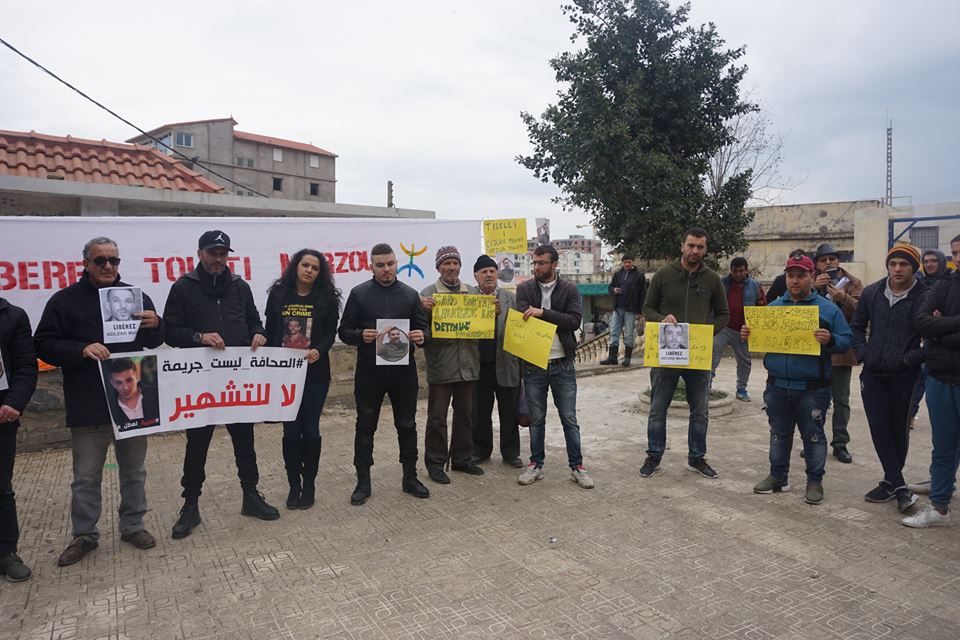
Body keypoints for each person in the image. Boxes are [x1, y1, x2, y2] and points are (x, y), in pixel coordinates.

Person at [34, 237, 164, 566]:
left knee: (134, 472)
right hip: (88, 402)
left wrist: (157, 324)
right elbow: (44, 344)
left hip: (133, 402)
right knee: (87, 476)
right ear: (86, 264)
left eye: (114, 261)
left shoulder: (137, 297)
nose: (108, 266)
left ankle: (133, 525)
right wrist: (80, 349)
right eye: (101, 261)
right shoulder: (64, 301)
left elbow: (154, 341)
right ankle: (85, 534)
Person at [163, 230, 279, 539]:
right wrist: (198, 337)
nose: (218, 259)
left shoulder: (240, 287)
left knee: (245, 441)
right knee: (197, 444)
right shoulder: (183, 288)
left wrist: (259, 334)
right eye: (212, 253)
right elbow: (169, 331)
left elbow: (256, 321)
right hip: (201, 383)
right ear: (200, 253)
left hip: (237, 380)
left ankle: (251, 496)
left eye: (223, 253)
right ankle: (190, 505)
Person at [744, 254, 852, 505]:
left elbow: (847, 341)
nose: (795, 280)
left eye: (801, 275)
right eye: (790, 275)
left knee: (813, 436)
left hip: (812, 388)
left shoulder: (827, 310)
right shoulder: (771, 310)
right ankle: (777, 477)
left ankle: (814, 481)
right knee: (778, 434)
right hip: (777, 386)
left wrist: (831, 340)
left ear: (812, 278)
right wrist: (749, 332)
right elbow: (758, 339)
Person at [338, 243, 430, 505]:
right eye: (380, 265)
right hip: (370, 373)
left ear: (396, 263)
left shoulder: (411, 295)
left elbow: (426, 331)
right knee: (365, 426)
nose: (386, 269)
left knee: (407, 425)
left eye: (390, 263)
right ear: (371, 266)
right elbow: (344, 331)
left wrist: (422, 336)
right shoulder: (360, 294)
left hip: (404, 373)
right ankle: (363, 481)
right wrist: (360, 336)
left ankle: (410, 477)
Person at [640, 228, 729, 479]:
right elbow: (647, 308)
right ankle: (654, 455)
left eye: (700, 247)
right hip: (666, 353)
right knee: (658, 407)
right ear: (682, 246)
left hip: (698, 355)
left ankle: (697, 457)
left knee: (700, 410)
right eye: (691, 246)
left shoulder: (712, 279)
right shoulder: (663, 274)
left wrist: (708, 332)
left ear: (705, 249)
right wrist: (661, 319)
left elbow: (724, 314)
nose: (695, 251)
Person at [851, 245, 927, 514]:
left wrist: (911, 359)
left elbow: (934, 337)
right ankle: (900, 487)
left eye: (903, 264)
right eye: (893, 263)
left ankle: (890, 482)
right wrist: (863, 352)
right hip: (872, 373)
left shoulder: (924, 296)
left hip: (904, 375)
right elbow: (857, 326)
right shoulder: (872, 292)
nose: (897, 269)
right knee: (879, 427)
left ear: (913, 268)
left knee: (898, 430)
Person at [265, 249, 340, 510]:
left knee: (310, 430)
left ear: (320, 273)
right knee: (290, 431)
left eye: (315, 267)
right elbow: (270, 332)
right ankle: (293, 484)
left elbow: (331, 333)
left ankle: (309, 483)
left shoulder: (327, 298)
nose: (309, 270)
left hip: (316, 374)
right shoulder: (278, 295)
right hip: (284, 374)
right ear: (295, 266)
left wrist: (320, 349)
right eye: (305, 265)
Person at [515, 244, 594, 489]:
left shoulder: (569, 289)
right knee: (537, 419)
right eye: (534, 263)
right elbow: (521, 318)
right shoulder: (524, 288)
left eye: (541, 263)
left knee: (569, 418)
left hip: (563, 363)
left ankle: (577, 467)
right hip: (534, 364)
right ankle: (536, 464)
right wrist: (541, 315)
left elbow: (573, 321)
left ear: (554, 264)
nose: (536, 267)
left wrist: (543, 313)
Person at [904, 234, 960, 528]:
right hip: (940, 376)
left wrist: (940, 329)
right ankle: (940, 508)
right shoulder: (943, 285)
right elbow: (921, 321)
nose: (958, 257)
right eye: (955, 252)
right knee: (943, 445)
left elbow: (932, 325)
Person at [419, 246, 483, 483]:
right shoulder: (427, 294)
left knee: (466, 414)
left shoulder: (473, 294)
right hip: (441, 365)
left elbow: (483, 327)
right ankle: (435, 463)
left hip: (468, 365)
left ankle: (462, 459)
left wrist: (492, 313)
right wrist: (421, 310)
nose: (451, 267)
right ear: (438, 267)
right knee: (437, 417)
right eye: (446, 264)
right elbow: (420, 328)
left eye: (455, 263)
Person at [471, 255, 523, 468]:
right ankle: (481, 451)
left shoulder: (511, 299)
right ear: (476, 276)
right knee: (480, 411)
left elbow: (520, 332)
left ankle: (510, 453)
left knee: (509, 412)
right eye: (484, 272)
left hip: (506, 363)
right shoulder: (468, 299)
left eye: (492, 271)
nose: (489, 274)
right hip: (478, 365)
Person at [813, 243, 862, 464]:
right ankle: (814, 439)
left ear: (838, 261)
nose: (829, 263)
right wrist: (815, 289)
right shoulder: (810, 281)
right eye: (824, 260)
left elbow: (863, 313)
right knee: (816, 399)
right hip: (815, 350)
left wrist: (844, 299)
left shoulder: (853, 283)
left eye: (832, 258)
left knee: (841, 399)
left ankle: (840, 443)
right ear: (817, 264)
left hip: (841, 350)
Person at [0, 297, 38, 581]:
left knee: (2, 486)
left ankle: (6, 552)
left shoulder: (12, 316)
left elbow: (25, 365)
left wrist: (15, 402)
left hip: (2, 414)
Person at [711, 257, 766, 402]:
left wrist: (755, 327)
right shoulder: (721, 283)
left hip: (744, 330)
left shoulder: (755, 286)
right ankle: (706, 387)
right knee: (711, 357)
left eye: (741, 271)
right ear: (731, 270)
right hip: (722, 328)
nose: (738, 274)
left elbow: (762, 307)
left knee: (744, 362)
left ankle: (741, 389)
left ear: (746, 270)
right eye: (735, 271)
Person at [909, 249, 953, 424]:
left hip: (942, 340)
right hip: (920, 337)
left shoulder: (950, 283)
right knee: (918, 378)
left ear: (941, 261)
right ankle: (910, 414)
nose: (929, 264)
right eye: (926, 261)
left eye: (933, 260)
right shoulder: (919, 283)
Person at [600, 255, 646, 367]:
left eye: (629, 262)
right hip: (618, 308)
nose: (627, 264)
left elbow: (642, 295)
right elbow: (610, 288)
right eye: (625, 262)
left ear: (632, 262)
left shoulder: (639, 276)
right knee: (614, 332)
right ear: (622, 263)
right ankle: (612, 358)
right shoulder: (618, 274)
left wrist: (641, 312)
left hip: (631, 309)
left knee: (629, 334)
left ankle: (627, 358)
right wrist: (613, 290)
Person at [104, 358, 160, 430]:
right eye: (119, 382)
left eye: (129, 380)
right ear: (112, 383)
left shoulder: (157, 394)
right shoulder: (109, 405)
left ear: (137, 376)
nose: (125, 387)